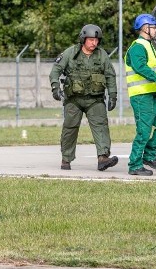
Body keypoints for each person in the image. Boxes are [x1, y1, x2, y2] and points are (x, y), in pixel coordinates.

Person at [49, 24, 119, 171]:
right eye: (91, 40)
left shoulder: (102, 55)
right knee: (70, 128)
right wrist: (55, 88)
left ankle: (103, 158)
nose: (95, 43)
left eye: (97, 40)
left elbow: (110, 75)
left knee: (101, 126)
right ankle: (66, 159)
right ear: (83, 39)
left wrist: (113, 95)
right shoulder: (70, 53)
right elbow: (55, 70)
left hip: (95, 99)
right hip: (73, 99)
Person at [125, 13, 156, 176]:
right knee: (143, 132)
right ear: (145, 28)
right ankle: (134, 165)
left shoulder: (150, 46)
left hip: (153, 95)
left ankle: (149, 156)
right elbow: (140, 67)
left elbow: (155, 69)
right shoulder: (138, 46)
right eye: (154, 27)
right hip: (141, 97)